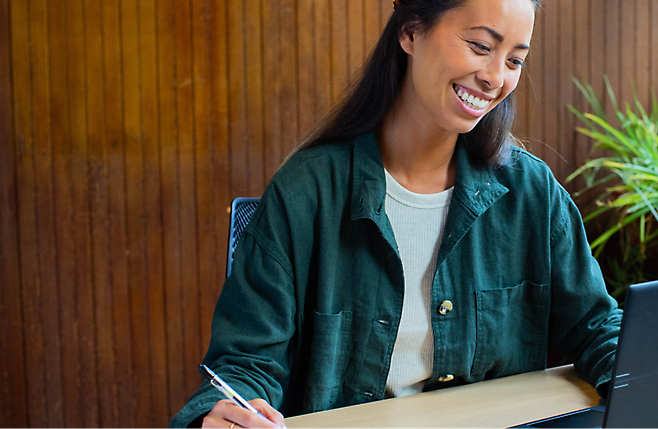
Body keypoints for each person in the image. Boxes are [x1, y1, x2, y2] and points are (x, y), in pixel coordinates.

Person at [169, 0, 621, 428]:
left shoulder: (531, 192)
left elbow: (594, 327)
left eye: (514, 60)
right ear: (410, 32)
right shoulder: (306, 191)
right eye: (481, 46)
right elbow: (246, 365)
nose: (494, 77)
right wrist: (227, 414)